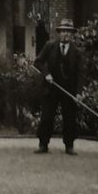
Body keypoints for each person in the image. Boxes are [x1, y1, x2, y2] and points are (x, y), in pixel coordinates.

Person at [34, 17, 83, 155]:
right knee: (47, 117)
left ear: (72, 34)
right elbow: (38, 62)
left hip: (69, 90)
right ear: (59, 33)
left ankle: (69, 145)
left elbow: (81, 73)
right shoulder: (50, 46)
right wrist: (46, 74)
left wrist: (78, 92)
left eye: (68, 32)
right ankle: (43, 144)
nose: (65, 34)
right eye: (63, 31)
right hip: (51, 88)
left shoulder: (77, 52)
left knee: (69, 118)